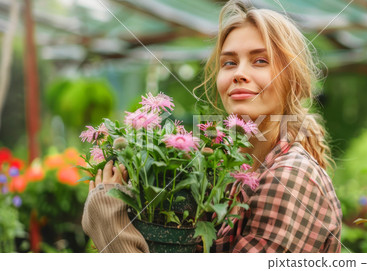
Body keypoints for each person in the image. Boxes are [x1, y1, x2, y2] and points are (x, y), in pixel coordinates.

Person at [82, 0, 342, 253]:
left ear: (293, 81)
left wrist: (111, 227)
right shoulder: (221, 173)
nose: (239, 73)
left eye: (260, 60)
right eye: (229, 62)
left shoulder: (291, 177)